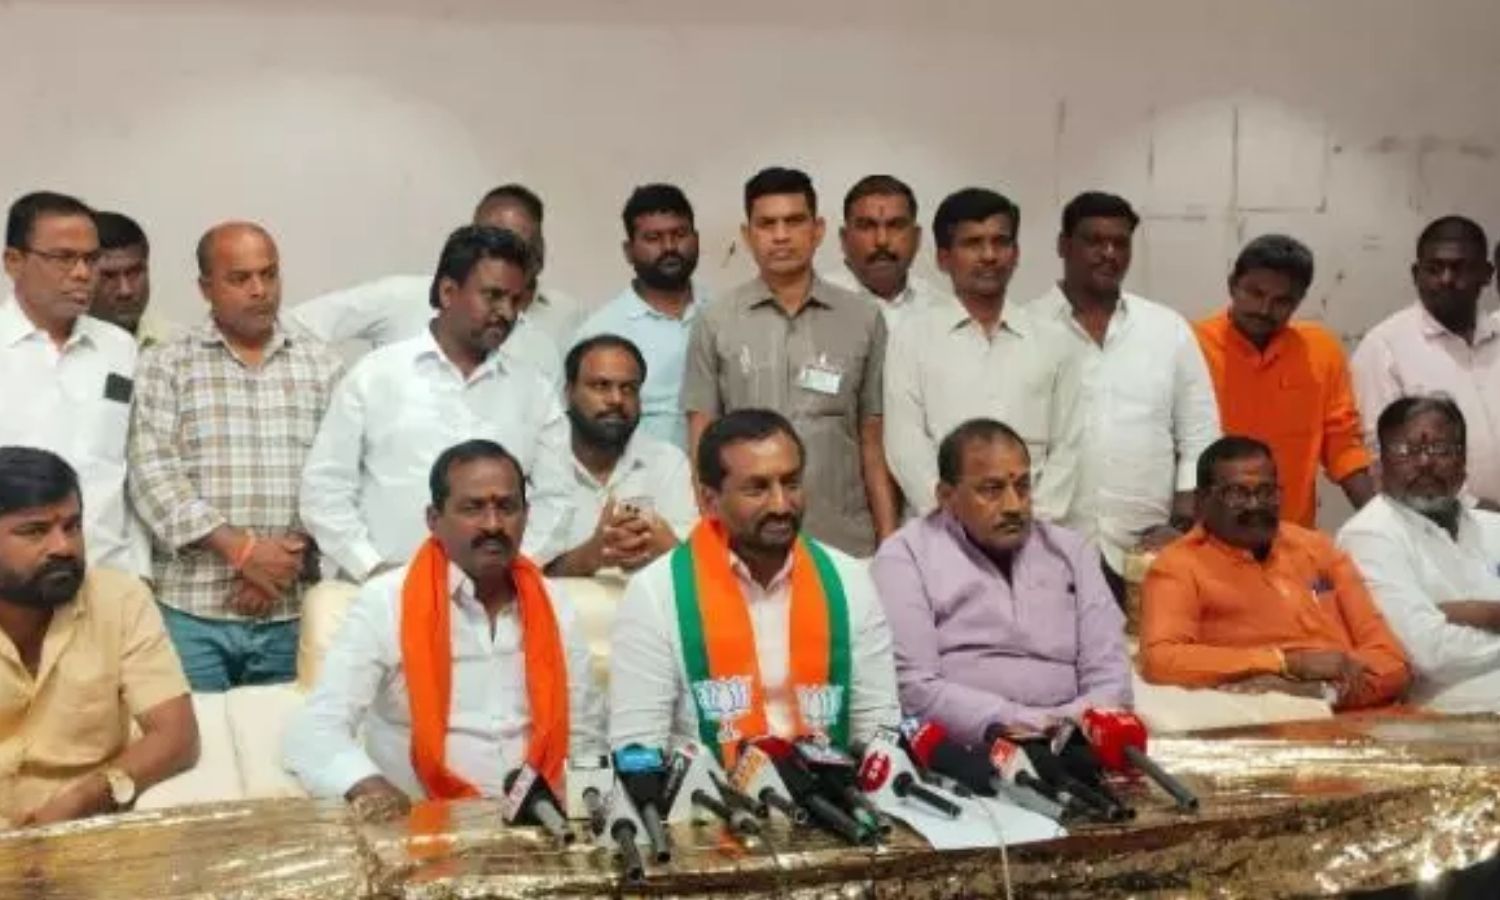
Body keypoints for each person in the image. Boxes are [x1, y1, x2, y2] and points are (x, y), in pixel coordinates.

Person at [285, 440, 605, 816]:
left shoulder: (553, 603)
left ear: (526, 515)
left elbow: (585, 733)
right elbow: (316, 733)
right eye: (472, 508)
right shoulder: (387, 602)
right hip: (423, 825)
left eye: (506, 507)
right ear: (434, 520)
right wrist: (375, 792)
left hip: (544, 822)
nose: (493, 524)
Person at [609, 410, 899, 765]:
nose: (781, 504)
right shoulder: (656, 593)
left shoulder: (848, 580)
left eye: (791, 483)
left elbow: (879, 733)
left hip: (831, 791)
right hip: (709, 796)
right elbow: (637, 749)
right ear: (710, 500)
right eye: (757, 489)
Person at [128, 223, 344, 691]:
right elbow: (153, 476)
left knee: (282, 734)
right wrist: (243, 552)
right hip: (191, 609)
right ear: (206, 287)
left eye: (269, 274)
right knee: (194, 734)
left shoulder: (323, 365)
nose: (260, 290)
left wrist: (279, 563)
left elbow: (340, 474)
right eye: (240, 278)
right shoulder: (166, 364)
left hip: (290, 609)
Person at [300, 225, 571, 583]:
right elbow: (324, 488)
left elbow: (557, 499)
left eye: (515, 300)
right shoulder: (376, 376)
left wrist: (513, 570)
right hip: (386, 594)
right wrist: (372, 568)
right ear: (448, 292)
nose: (506, 312)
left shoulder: (534, 391)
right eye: (493, 296)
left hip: (493, 599)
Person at [872, 419, 1130, 746]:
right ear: (946, 496)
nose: (1013, 506)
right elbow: (914, 689)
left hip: (1076, 741)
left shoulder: (1071, 552)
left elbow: (1111, 677)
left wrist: (1067, 725)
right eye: (991, 490)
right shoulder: (906, 556)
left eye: (1022, 486)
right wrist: (1033, 724)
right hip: (969, 746)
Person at [682, 166, 896, 557]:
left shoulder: (863, 319)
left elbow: (874, 441)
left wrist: (888, 544)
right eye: (767, 224)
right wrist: (712, 540)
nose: (781, 235)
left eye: (794, 221)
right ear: (747, 235)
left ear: (818, 230)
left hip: (844, 542)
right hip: (746, 543)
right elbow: (701, 442)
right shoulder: (716, 322)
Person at [1029, 191, 1220, 600]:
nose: (1109, 254)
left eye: (1120, 243)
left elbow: (1200, 436)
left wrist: (1181, 525)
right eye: (1094, 241)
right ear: (1063, 246)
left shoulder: (1167, 329)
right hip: (1046, 547)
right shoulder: (1026, 328)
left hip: (1148, 550)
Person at [0, 447, 198, 829]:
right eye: (35, 531)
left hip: (90, 828)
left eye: (72, 526)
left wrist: (87, 798)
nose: (63, 547)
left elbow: (178, 736)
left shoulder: (119, 599)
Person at [1139, 436, 1409, 709]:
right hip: (1268, 718)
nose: (1255, 505)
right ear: (1201, 501)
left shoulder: (1318, 549)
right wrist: (1285, 662)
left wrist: (1319, 692)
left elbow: (1392, 659)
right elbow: (1161, 660)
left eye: (1267, 491)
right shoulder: (1179, 565)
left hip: (1359, 710)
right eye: (1237, 493)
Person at [884, 188, 1084, 519]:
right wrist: (952, 516)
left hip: (1033, 528)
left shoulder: (1055, 341)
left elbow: (1068, 447)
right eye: (973, 243)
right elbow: (905, 445)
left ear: (1016, 254)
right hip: (941, 530)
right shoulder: (912, 337)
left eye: (1000, 242)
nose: (989, 255)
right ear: (943, 258)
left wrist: (1032, 518)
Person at [287, 184, 572, 385]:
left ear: (539, 251)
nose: (502, 254)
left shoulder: (554, 332)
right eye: (488, 238)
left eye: (516, 245)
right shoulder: (400, 298)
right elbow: (296, 324)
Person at [0, 191, 146, 577]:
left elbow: (133, 470)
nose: (83, 273)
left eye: (91, 259)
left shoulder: (119, 348)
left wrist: (140, 573)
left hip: (109, 576)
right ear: (13, 261)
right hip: (12, 586)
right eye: (64, 258)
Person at [1194, 235, 1374, 526]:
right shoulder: (1192, 345)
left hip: (1290, 536)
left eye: (1282, 301)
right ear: (1232, 285)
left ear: (1299, 301)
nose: (1264, 310)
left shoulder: (1320, 351)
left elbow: (1342, 445)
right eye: (1255, 293)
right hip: (1209, 534)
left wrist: (1382, 520)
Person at [1337, 397, 1500, 712]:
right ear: (1380, 464)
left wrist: (1472, 613)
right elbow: (1428, 653)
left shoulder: (1493, 527)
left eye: (1440, 449)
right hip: (1453, 714)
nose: (1425, 461)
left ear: (1463, 460)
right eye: (1405, 450)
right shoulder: (1370, 534)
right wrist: (1492, 616)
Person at [1351, 216, 1500, 510]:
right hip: (1441, 523)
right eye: (1434, 269)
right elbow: (1383, 453)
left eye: (1459, 268)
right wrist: (1472, 509)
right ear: (1415, 274)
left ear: (1486, 274)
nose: (1446, 279)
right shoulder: (1385, 347)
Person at [546, 335, 696, 577]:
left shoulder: (668, 463)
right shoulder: (537, 464)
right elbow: (523, 575)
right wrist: (590, 556)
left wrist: (668, 550)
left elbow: (696, 573)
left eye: (628, 389)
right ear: (569, 392)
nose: (616, 399)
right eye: (601, 386)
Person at [572, 184, 707, 450]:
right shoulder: (602, 331)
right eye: (653, 238)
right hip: (638, 472)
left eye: (679, 234)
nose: (669, 247)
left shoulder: (723, 313)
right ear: (628, 250)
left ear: (697, 239)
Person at [826, 174, 951, 329]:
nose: (882, 241)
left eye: (896, 225)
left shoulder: (946, 312)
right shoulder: (812, 305)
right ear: (844, 239)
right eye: (866, 226)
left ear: (917, 238)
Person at [90, 211, 170, 346]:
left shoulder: (176, 343)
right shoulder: (57, 350)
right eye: (108, 276)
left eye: (134, 273)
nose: (125, 291)